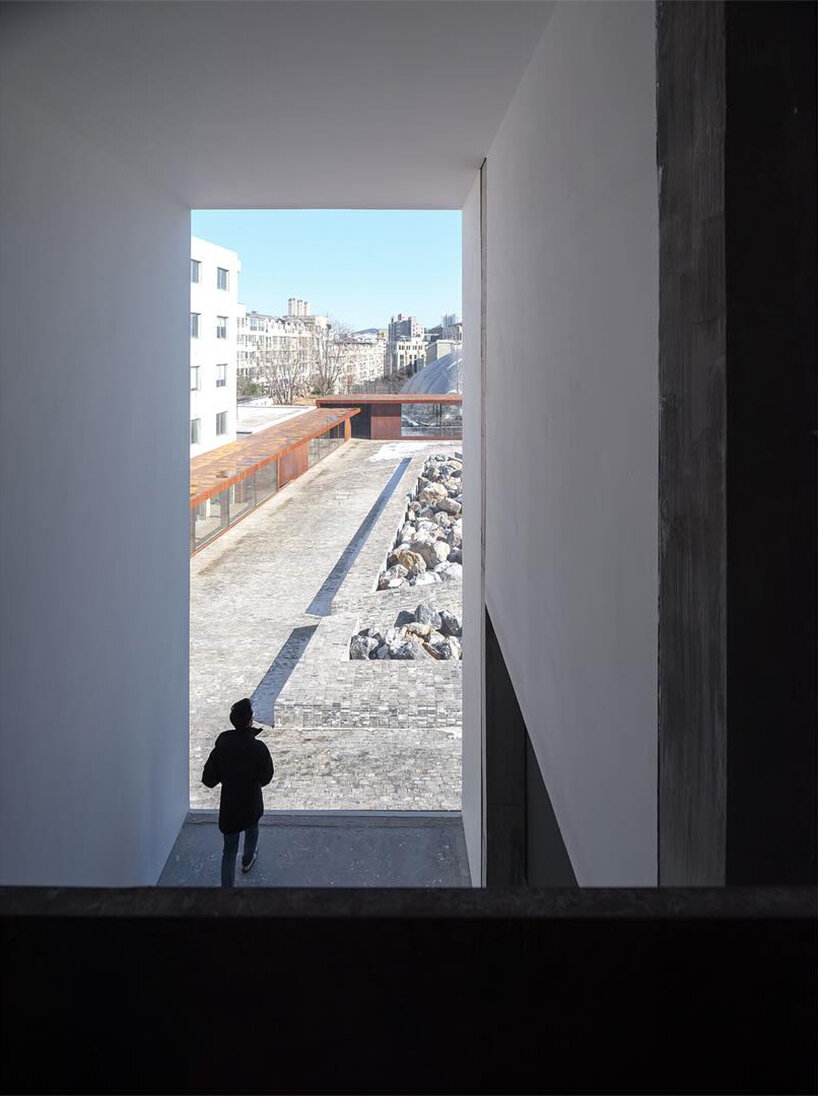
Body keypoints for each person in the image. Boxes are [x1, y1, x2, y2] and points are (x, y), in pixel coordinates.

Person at [201, 698, 274, 887]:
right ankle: (248, 860)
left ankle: (228, 894)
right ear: (250, 721)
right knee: (252, 830)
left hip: (230, 808)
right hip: (251, 804)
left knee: (229, 850)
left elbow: (209, 779)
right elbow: (266, 778)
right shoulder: (258, 748)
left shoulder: (223, 744)